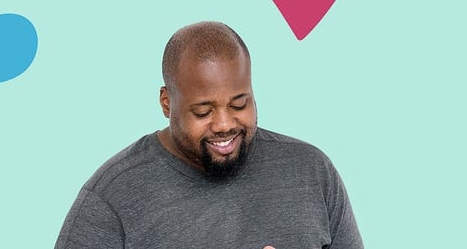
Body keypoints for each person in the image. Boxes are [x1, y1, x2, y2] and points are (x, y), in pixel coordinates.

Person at [54, 21, 361, 249]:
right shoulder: (112, 197)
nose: (225, 124)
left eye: (240, 104)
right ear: (167, 102)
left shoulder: (310, 170)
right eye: (203, 112)